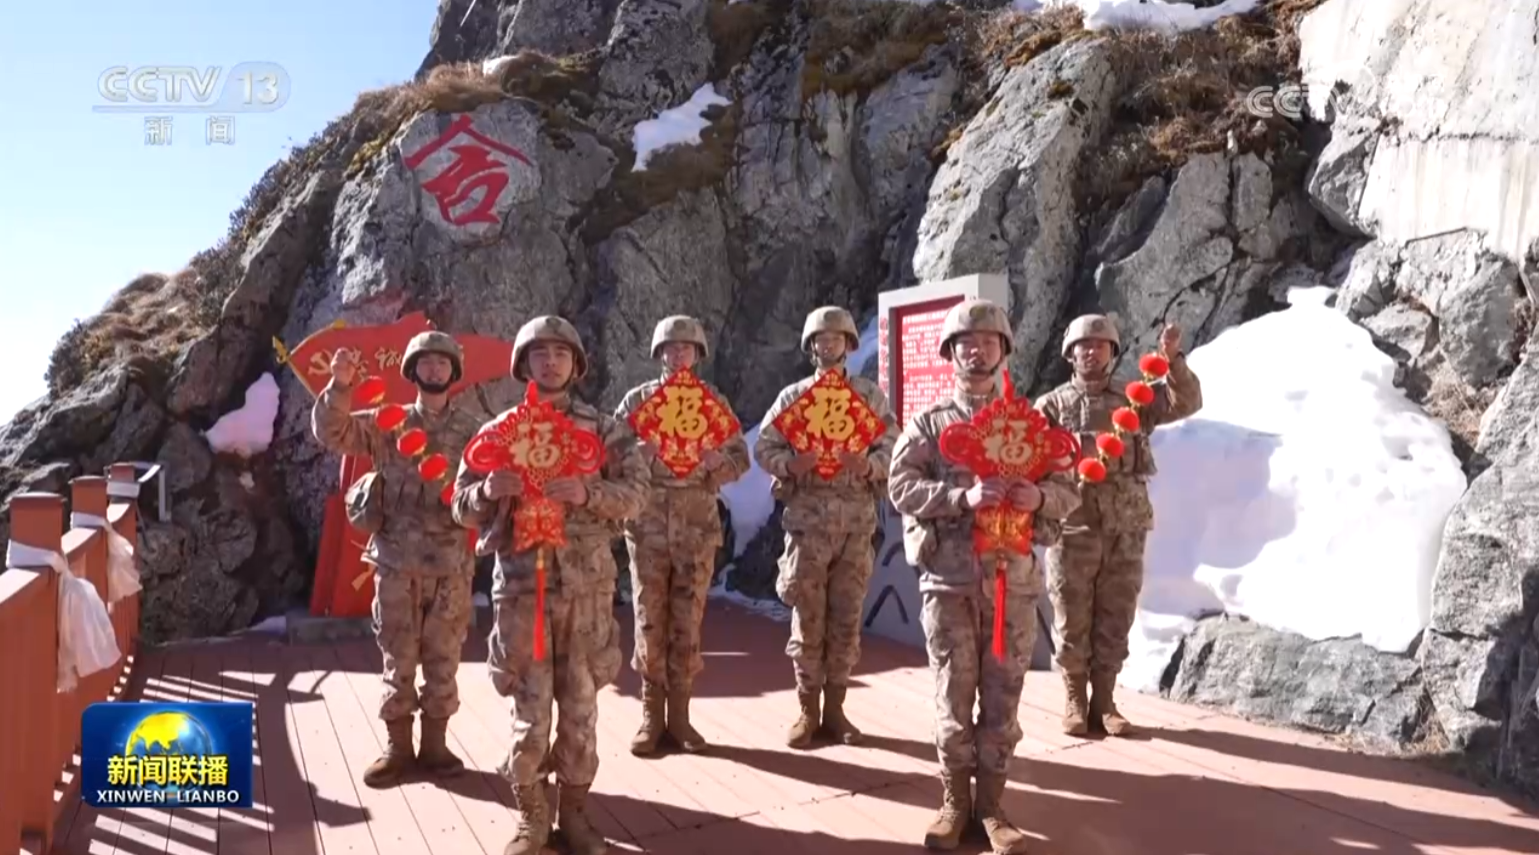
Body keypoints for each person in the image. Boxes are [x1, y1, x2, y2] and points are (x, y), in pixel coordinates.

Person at [888, 299, 1081, 853]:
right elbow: (899, 486)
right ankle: (954, 803)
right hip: (949, 585)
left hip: (1011, 585)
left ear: (1004, 351)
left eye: (988, 342)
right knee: (953, 697)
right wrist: (960, 497)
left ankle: (993, 807)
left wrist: (1039, 496)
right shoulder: (930, 424)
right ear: (950, 353)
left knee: (1003, 702)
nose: (977, 351)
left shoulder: (1030, 425)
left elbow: (1069, 488)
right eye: (966, 343)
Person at [450, 315, 647, 855]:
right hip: (523, 593)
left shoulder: (604, 430)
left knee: (581, 710)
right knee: (530, 711)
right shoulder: (499, 431)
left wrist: (589, 494)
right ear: (524, 365)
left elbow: (637, 495)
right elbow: (460, 505)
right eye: (540, 353)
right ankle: (532, 816)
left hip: (586, 593)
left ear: (576, 364)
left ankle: (576, 814)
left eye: (561, 353)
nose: (551, 361)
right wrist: (487, 490)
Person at [311, 330, 484, 788]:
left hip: (450, 567)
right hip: (395, 564)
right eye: (425, 362)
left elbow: (489, 488)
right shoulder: (388, 421)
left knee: (444, 658)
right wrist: (340, 386)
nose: (434, 369)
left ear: (453, 371)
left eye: (442, 362)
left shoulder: (472, 430)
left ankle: (435, 746)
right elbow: (333, 432)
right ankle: (398, 747)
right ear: (412, 370)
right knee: (398, 657)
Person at [1038, 314, 1202, 737]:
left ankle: (1105, 702)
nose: (1091, 352)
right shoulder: (1052, 405)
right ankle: (1075, 698)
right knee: (1071, 613)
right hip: (1072, 524)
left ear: (1112, 353)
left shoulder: (1135, 399)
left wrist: (1173, 360)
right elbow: (1031, 455)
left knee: (1117, 613)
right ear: (1070, 354)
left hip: (1125, 525)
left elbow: (1186, 402)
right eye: (1083, 346)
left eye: (1100, 345)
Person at [753, 305, 899, 749]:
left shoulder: (868, 397)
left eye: (836, 338)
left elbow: (893, 445)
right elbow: (764, 447)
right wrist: (790, 464)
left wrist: (869, 465)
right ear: (811, 346)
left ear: (849, 344)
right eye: (821, 338)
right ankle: (807, 709)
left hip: (855, 525)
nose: (829, 344)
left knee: (846, 617)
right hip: (807, 525)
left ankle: (836, 709)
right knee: (808, 617)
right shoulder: (795, 397)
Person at [614, 316, 750, 756]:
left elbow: (741, 458)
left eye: (686, 348)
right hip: (648, 525)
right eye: (671, 349)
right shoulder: (638, 402)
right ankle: (651, 716)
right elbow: (607, 457)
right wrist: (637, 454)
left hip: (696, 525)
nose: (678, 355)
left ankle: (680, 717)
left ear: (698, 354)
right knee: (649, 618)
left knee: (688, 620)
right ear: (659, 354)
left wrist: (718, 464)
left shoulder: (712, 403)